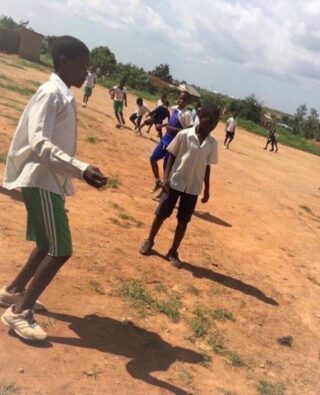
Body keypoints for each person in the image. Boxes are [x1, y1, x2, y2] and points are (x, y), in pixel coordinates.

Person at [0, 36, 107, 342]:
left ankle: (13, 292)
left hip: (49, 181)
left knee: (47, 244)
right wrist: (80, 168)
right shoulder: (51, 93)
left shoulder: (61, 94)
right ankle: (19, 312)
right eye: (82, 66)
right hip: (42, 180)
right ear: (64, 62)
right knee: (61, 249)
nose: (86, 73)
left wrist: (75, 171)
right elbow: (39, 141)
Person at [139, 103, 220, 268]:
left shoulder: (212, 143)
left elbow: (207, 166)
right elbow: (172, 154)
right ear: (200, 117)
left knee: (183, 221)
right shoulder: (184, 134)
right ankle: (149, 240)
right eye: (209, 121)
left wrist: (207, 190)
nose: (211, 125)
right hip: (175, 181)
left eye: (215, 123)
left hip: (193, 188)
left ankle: (173, 251)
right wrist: (166, 178)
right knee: (161, 213)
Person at [149, 91, 193, 193]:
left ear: (188, 102)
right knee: (152, 158)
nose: (181, 101)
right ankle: (157, 181)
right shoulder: (173, 108)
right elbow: (169, 122)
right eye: (180, 98)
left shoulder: (187, 115)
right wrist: (163, 126)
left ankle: (164, 191)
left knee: (167, 168)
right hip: (165, 139)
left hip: (174, 143)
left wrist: (172, 129)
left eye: (184, 99)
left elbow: (189, 131)